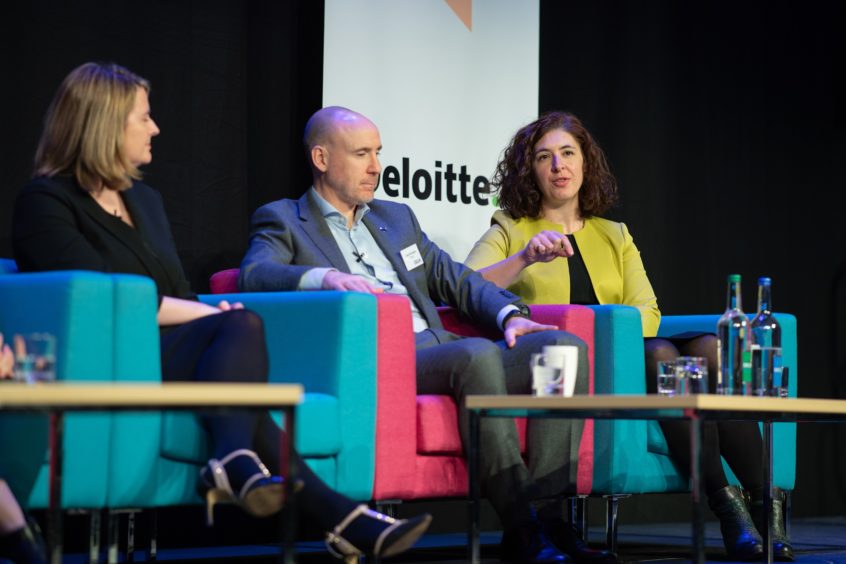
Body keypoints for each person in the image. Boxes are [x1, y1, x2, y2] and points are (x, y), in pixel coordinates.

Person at [11, 62, 430, 562]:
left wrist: (205, 315)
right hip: (105, 360)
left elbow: (176, 289)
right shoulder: (46, 201)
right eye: (143, 118)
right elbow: (100, 305)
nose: (156, 128)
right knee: (239, 324)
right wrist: (204, 319)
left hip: (166, 348)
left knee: (238, 329)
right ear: (104, 124)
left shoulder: (143, 200)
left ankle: (252, 470)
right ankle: (332, 511)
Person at [239, 106, 617, 564]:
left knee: (563, 349)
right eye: (362, 154)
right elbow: (255, 274)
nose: (376, 166)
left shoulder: (395, 218)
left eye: (378, 153)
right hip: (386, 358)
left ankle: (553, 522)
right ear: (321, 158)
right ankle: (521, 526)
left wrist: (510, 316)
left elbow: (456, 280)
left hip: (446, 352)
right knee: (475, 355)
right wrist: (323, 278)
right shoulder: (284, 219)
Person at [465, 111, 793, 561]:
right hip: (567, 368)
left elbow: (649, 309)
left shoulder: (613, 234)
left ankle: (761, 505)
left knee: (707, 349)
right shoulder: (511, 228)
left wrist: (614, 340)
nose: (558, 166)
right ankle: (729, 508)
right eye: (545, 157)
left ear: (585, 164)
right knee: (660, 354)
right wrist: (523, 258)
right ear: (531, 171)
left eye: (567, 154)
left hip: (627, 360)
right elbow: (464, 284)